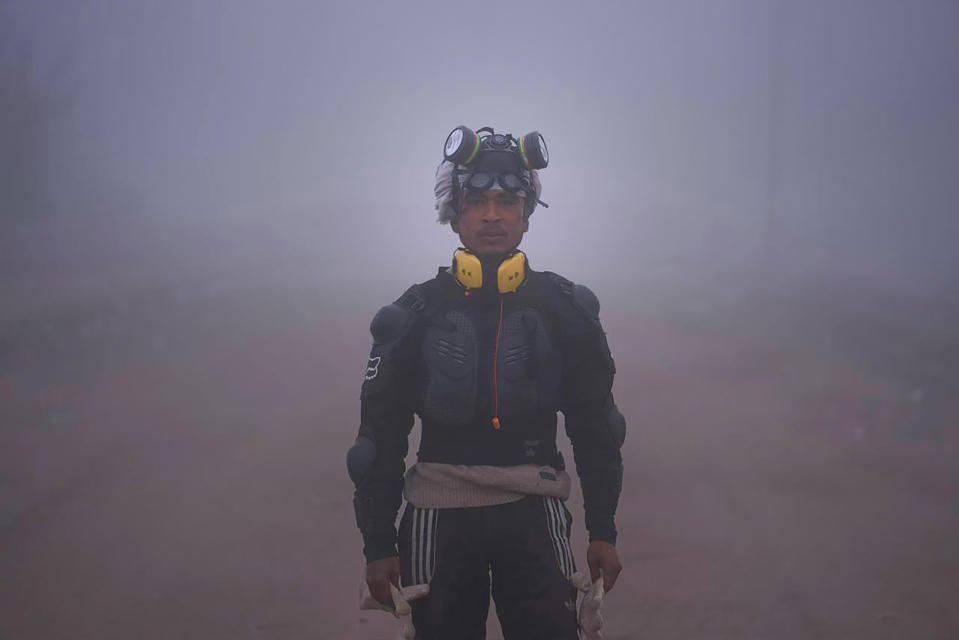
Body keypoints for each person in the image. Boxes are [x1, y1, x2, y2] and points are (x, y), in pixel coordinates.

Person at [347, 126, 625, 640]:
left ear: (527, 212)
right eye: (476, 200)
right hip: (437, 520)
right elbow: (377, 442)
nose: (492, 214)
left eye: (506, 200)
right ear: (453, 213)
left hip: (536, 516)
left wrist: (603, 531)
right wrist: (379, 546)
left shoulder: (567, 311)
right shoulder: (413, 314)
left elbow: (596, 429)